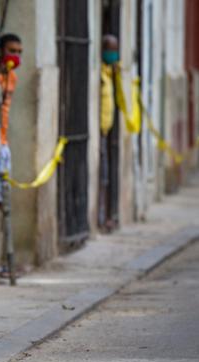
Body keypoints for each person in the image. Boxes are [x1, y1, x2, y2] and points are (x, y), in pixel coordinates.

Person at [0, 33, 22, 279]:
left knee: (4, 201)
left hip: (3, 144)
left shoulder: (12, 77)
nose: (16, 56)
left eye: (20, 52)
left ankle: (4, 259)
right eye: (12, 50)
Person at [98, 34, 119, 231]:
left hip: (106, 130)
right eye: (111, 50)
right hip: (98, 131)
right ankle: (101, 218)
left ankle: (104, 217)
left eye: (116, 50)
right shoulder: (100, 74)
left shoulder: (110, 72)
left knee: (105, 176)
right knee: (102, 176)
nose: (114, 54)